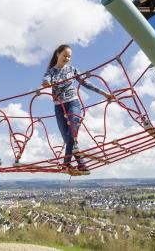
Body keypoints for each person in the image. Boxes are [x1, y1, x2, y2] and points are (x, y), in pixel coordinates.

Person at [42, 44, 112, 173]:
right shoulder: (51, 71)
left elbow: (85, 83)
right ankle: (81, 164)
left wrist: (104, 93)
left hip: (73, 104)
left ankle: (66, 164)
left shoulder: (72, 70)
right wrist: (47, 83)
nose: (67, 58)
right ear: (58, 54)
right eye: (65, 55)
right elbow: (46, 80)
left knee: (72, 132)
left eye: (69, 56)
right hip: (59, 107)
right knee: (67, 138)